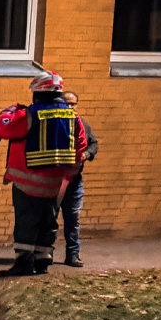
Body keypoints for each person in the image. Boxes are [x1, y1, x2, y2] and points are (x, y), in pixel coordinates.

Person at [0, 72, 89, 276]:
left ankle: (24, 264)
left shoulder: (28, 115)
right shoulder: (73, 117)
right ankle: (43, 261)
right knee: (48, 222)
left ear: (37, 91)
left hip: (26, 183)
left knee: (26, 222)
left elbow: (1, 128)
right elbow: (81, 147)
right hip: (55, 184)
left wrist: (11, 110)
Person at [59, 91, 99, 266]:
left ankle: (73, 254)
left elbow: (93, 143)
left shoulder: (82, 124)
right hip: (55, 180)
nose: (69, 107)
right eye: (66, 103)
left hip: (74, 180)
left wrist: (87, 154)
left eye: (72, 104)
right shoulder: (55, 123)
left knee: (73, 219)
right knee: (50, 219)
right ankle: (45, 254)